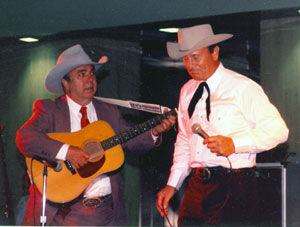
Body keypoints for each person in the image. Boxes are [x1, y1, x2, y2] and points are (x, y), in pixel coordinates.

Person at [16, 44, 176, 226]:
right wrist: (67, 152)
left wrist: (154, 132)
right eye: (81, 74)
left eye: (92, 73)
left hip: (106, 212)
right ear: (65, 83)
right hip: (64, 213)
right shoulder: (50, 109)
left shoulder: (108, 111)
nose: (90, 79)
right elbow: (25, 137)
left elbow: (130, 141)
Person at [156, 24, 289, 226]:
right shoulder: (187, 90)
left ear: (215, 52)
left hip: (234, 184)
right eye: (185, 58)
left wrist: (235, 144)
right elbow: (184, 140)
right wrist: (172, 184)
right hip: (196, 184)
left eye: (195, 57)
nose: (190, 64)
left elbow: (279, 131)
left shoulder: (243, 88)